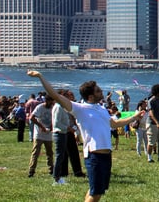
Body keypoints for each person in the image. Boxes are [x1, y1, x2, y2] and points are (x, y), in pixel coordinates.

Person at [27, 70, 145, 202]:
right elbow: (55, 95)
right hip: (94, 155)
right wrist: (40, 76)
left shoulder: (101, 109)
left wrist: (133, 117)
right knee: (95, 193)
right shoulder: (80, 109)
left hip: (106, 155)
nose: (101, 91)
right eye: (98, 90)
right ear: (90, 96)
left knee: (97, 191)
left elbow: (114, 123)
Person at [28, 96, 55, 178]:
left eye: (52, 102)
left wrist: (51, 126)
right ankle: (31, 170)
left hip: (48, 134)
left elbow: (55, 119)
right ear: (46, 101)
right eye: (50, 102)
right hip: (39, 134)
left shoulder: (53, 108)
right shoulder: (40, 107)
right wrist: (41, 126)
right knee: (35, 152)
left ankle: (51, 170)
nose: (51, 104)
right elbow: (31, 117)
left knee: (50, 153)